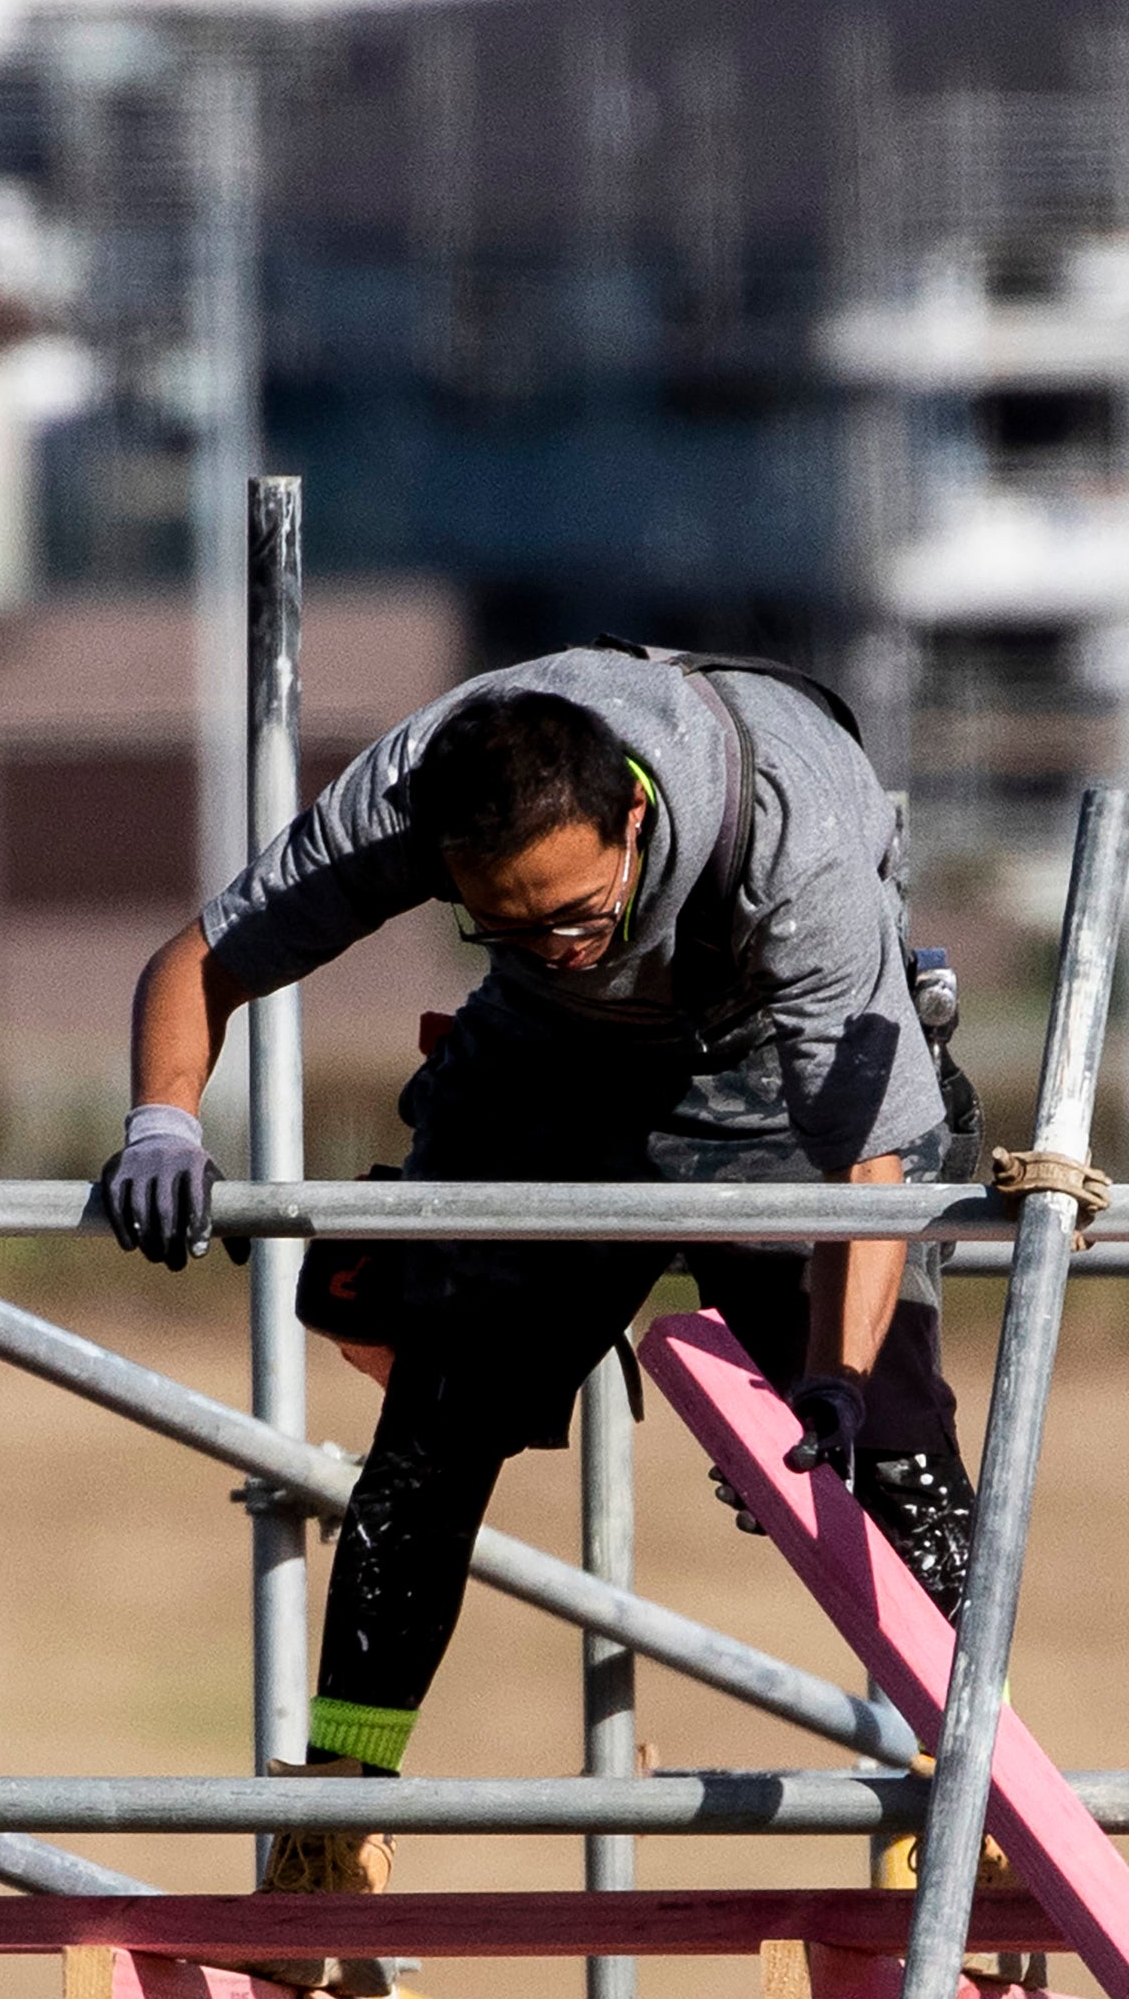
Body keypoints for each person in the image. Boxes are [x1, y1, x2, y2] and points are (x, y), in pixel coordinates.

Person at [88, 644, 979, 1887]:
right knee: (437, 1426)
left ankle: (975, 1800)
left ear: (632, 813)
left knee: (888, 1447)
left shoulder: (800, 845)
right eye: (499, 921)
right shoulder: (413, 792)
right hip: (544, 1072)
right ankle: (337, 1813)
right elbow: (200, 961)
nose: (553, 938)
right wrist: (163, 1119)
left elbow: (868, 1176)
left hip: (775, 1074)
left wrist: (833, 1374)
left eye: (574, 911)